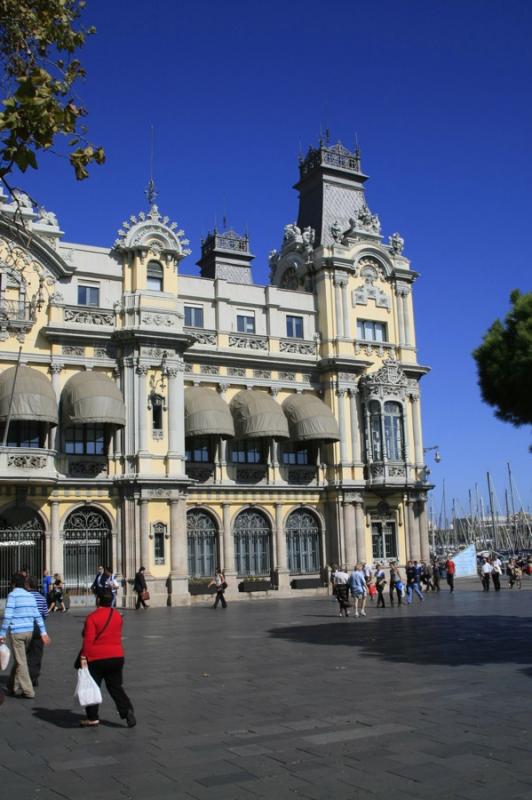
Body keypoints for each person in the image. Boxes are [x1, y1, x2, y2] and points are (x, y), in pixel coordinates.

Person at [77, 590, 136, 728]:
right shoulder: (117, 616)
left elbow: (88, 641)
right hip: (116, 656)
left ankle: (92, 718)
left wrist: (83, 657)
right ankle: (127, 711)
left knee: (92, 687)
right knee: (115, 687)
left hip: (96, 658)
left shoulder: (92, 618)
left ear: (97, 600)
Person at [0, 573, 51, 699]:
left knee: (21, 661)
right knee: (20, 659)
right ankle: (12, 686)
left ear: (13, 584)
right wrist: (44, 632)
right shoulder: (29, 596)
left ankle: (28, 691)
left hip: (17, 632)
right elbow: (38, 615)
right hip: (29, 631)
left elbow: (8, 615)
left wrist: (2, 633)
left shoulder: (12, 595)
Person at [26, 576, 49, 687]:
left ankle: (26, 676)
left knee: (26, 653)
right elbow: (45, 614)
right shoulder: (42, 598)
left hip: (26, 626)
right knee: (37, 653)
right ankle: (34, 676)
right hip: (38, 628)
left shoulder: (25, 597)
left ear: (28, 585)